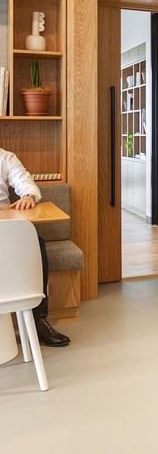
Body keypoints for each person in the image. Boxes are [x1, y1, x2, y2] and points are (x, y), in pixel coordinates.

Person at [0, 147, 70, 346]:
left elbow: (25, 183)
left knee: (35, 243)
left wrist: (28, 196)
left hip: (5, 229)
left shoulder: (5, 158)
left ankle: (38, 319)